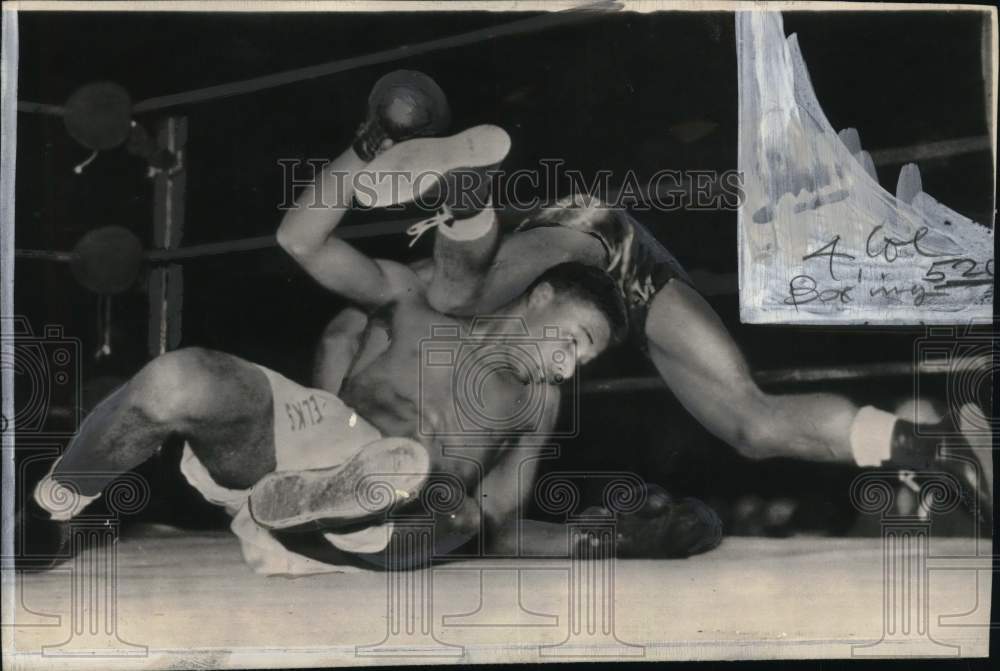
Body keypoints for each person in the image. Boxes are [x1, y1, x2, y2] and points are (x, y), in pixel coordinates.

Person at [22, 71, 720, 575]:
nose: (569, 365)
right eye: (574, 340)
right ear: (538, 296)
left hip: (396, 530)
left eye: (583, 359)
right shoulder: (412, 299)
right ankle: (55, 506)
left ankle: (325, 521)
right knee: (178, 377)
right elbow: (300, 241)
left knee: (448, 506)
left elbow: (496, 524)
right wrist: (369, 145)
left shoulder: (538, 402)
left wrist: (612, 538)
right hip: (306, 450)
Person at [344, 77, 992, 522]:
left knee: (461, 295)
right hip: (621, 270)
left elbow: (364, 313)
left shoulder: (385, 328)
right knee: (752, 424)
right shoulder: (483, 398)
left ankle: (462, 188)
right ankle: (935, 444)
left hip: (577, 243)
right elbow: (500, 491)